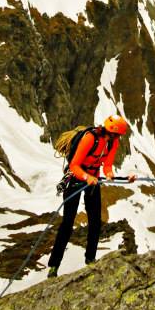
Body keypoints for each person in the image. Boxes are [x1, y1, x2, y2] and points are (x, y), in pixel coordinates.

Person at [47, 115, 135, 277]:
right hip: (75, 180)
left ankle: (90, 259)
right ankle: (54, 266)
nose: (119, 138)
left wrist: (109, 174)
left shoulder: (112, 142)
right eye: (118, 135)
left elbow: (107, 164)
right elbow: (74, 166)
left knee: (95, 221)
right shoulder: (90, 138)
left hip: (93, 180)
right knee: (67, 223)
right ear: (113, 132)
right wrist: (87, 177)